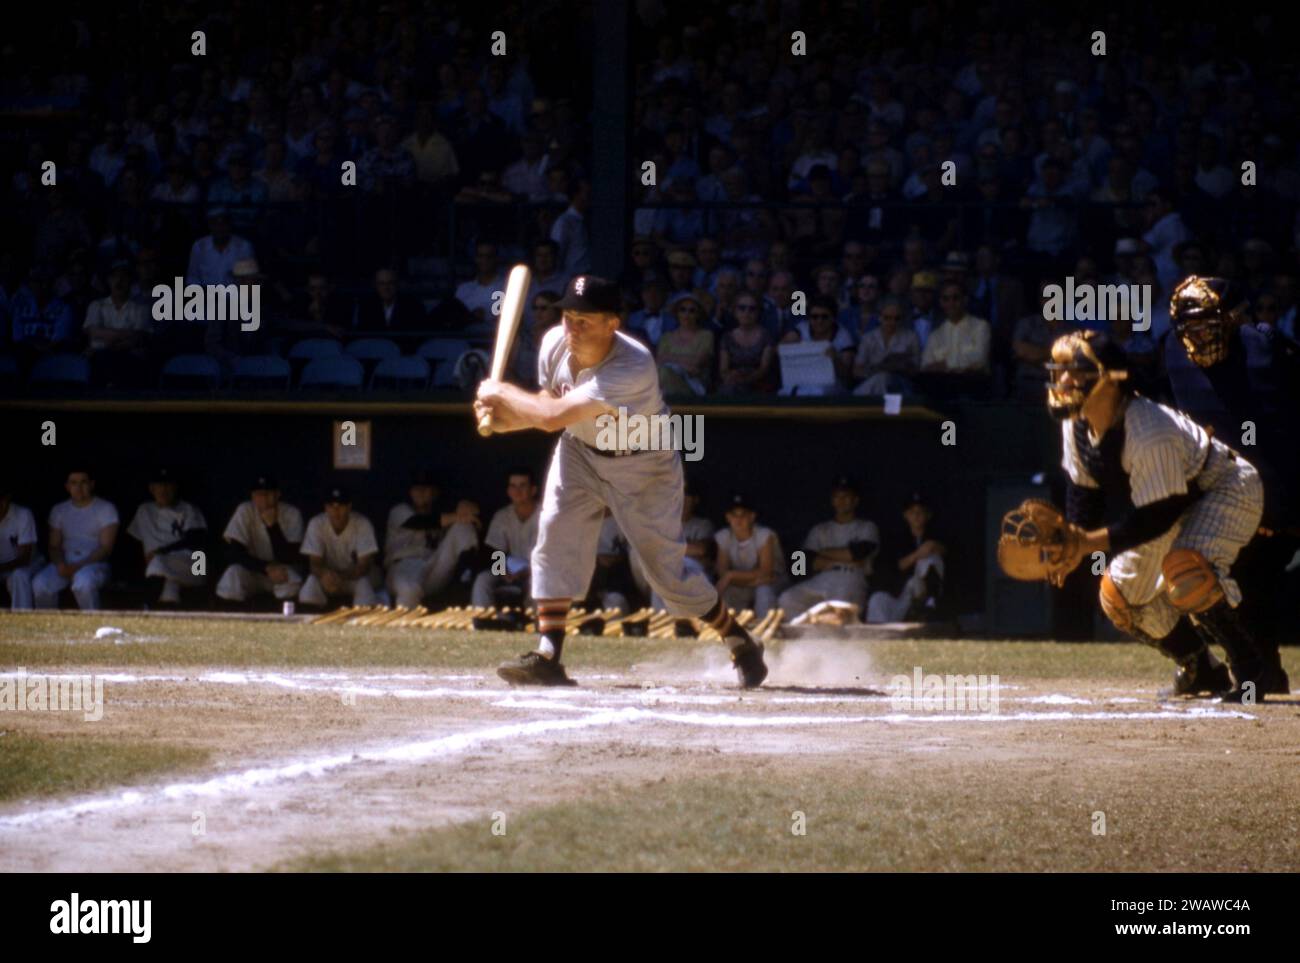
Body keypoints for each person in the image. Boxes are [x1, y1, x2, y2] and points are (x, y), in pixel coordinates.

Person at [473, 274, 767, 687]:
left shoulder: (633, 364)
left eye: (584, 321)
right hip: (580, 451)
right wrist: (503, 419)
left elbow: (551, 417)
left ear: (612, 323)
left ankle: (737, 638)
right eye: (568, 317)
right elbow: (547, 403)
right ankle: (548, 655)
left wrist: (500, 392)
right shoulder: (554, 343)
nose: (571, 328)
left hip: (643, 462)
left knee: (665, 574)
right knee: (554, 534)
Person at [1043, 330, 1279, 702]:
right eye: (1060, 371)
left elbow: (1158, 516)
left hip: (1226, 487)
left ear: (1110, 379)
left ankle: (1252, 671)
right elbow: (1083, 494)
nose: (1064, 381)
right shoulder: (1075, 423)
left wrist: (1088, 544)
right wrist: (1071, 544)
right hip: (1174, 502)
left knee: (1187, 572)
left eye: (1078, 371)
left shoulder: (1148, 427)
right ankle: (1199, 667)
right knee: (1118, 596)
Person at [1162, 276, 1300, 664]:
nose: (1198, 335)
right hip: (1239, 491)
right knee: (1219, 575)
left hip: (1285, 481)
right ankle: (1254, 671)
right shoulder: (1173, 354)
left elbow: (1276, 436)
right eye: (1189, 326)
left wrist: (1277, 504)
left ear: (1236, 319)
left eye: (1208, 322)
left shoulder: (1269, 350)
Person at [778, 476, 880, 619]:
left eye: (846, 496)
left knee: (837, 612)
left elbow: (857, 554)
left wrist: (819, 555)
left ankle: (834, 638)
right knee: (786, 598)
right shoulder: (820, 529)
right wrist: (842, 555)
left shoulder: (866, 527)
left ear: (855, 500)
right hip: (822, 579)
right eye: (837, 496)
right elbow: (798, 565)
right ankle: (807, 637)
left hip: (850, 577)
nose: (841, 500)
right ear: (832, 500)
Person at [384, 470, 481, 609]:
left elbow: (470, 523)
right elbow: (420, 522)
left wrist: (467, 507)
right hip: (402, 568)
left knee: (463, 526)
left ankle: (467, 577)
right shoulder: (399, 511)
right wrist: (458, 515)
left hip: (432, 568)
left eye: (426, 488)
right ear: (410, 492)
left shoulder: (444, 516)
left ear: (435, 493)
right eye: (416, 488)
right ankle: (404, 627)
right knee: (409, 589)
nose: (420, 492)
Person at [32, 468, 119, 610]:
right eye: (74, 483)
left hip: (94, 563)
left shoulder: (106, 508)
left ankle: (93, 625)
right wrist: (60, 564)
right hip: (65, 561)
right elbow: (54, 546)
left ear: (91, 484)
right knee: (40, 583)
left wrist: (78, 566)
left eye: (83, 482)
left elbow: (105, 548)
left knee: (83, 583)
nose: (79, 488)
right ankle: (48, 627)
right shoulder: (59, 510)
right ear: (67, 487)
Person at [214, 474, 305, 606]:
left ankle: (279, 615)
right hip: (255, 571)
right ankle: (234, 616)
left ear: (277, 494)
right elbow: (234, 553)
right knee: (232, 574)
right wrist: (265, 568)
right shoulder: (245, 510)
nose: (263, 499)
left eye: (268, 494)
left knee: (292, 583)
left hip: (282, 572)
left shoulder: (292, 513)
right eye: (259, 494)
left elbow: (290, 557)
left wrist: (273, 527)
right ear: (252, 496)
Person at [125, 468, 208, 606]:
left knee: (158, 563)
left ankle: (145, 611)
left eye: (168, 485)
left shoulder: (188, 509)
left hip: (197, 565)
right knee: (168, 589)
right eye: (160, 485)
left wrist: (162, 551)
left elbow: (197, 541)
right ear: (152, 488)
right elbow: (132, 542)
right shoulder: (144, 510)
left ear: (175, 488)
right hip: (163, 570)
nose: (164, 490)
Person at [866, 492, 946, 622]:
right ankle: (877, 639)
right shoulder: (896, 538)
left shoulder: (936, 534)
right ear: (905, 515)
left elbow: (946, 552)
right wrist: (916, 555)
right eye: (912, 512)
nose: (916, 516)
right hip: (901, 597)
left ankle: (927, 608)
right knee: (877, 599)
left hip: (926, 600)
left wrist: (935, 547)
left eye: (920, 512)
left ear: (928, 515)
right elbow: (890, 568)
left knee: (930, 558)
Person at [298, 487, 382, 609]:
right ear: (326, 508)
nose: (336, 510)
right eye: (331, 506)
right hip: (328, 579)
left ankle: (362, 625)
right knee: (308, 590)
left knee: (364, 588)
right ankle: (314, 624)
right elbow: (314, 564)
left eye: (341, 506)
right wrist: (324, 575)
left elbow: (364, 566)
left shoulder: (362, 523)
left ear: (349, 507)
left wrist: (340, 576)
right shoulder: (316, 523)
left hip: (354, 578)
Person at [471, 468, 541, 609]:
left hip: (539, 570)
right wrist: (503, 571)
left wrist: (528, 571)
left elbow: (555, 555)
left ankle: (534, 623)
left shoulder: (547, 514)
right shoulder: (502, 516)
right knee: (483, 580)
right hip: (510, 570)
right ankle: (483, 621)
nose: (517, 490)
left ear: (533, 490)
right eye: (513, 486)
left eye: (522, 485)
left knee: (539, 580)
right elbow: (495, 551)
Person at [714, 494, 785, 618]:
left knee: (763, 591)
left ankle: (764, 630)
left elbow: (766, 573)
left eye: (743, 515)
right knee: (725, 594)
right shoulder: (723, 536)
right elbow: (722, 573)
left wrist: (732, 575)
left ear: (752, 517)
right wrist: (732, 578)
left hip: (772, 582)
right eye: (734, 515)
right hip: (742, 584)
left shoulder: (764, 535)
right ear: (727, 517)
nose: (738, 519)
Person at [852, 296, 920, 395]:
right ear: (879, 317)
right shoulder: (868, 338)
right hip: (873, 382)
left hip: (902, 385)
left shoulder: (911, 337)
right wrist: (877, 369)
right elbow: (856, 371)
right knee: (881, 377)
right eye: (887, 318)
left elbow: (917, 369)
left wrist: (901, 367)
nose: (892, 322)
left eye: (897, 319)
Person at [0, 483, 41, 610]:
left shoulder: (23, 514)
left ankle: (23, 620)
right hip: (2, 568)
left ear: (7, 498)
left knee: (19, 576)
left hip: (28, 565)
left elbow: (25, 558)